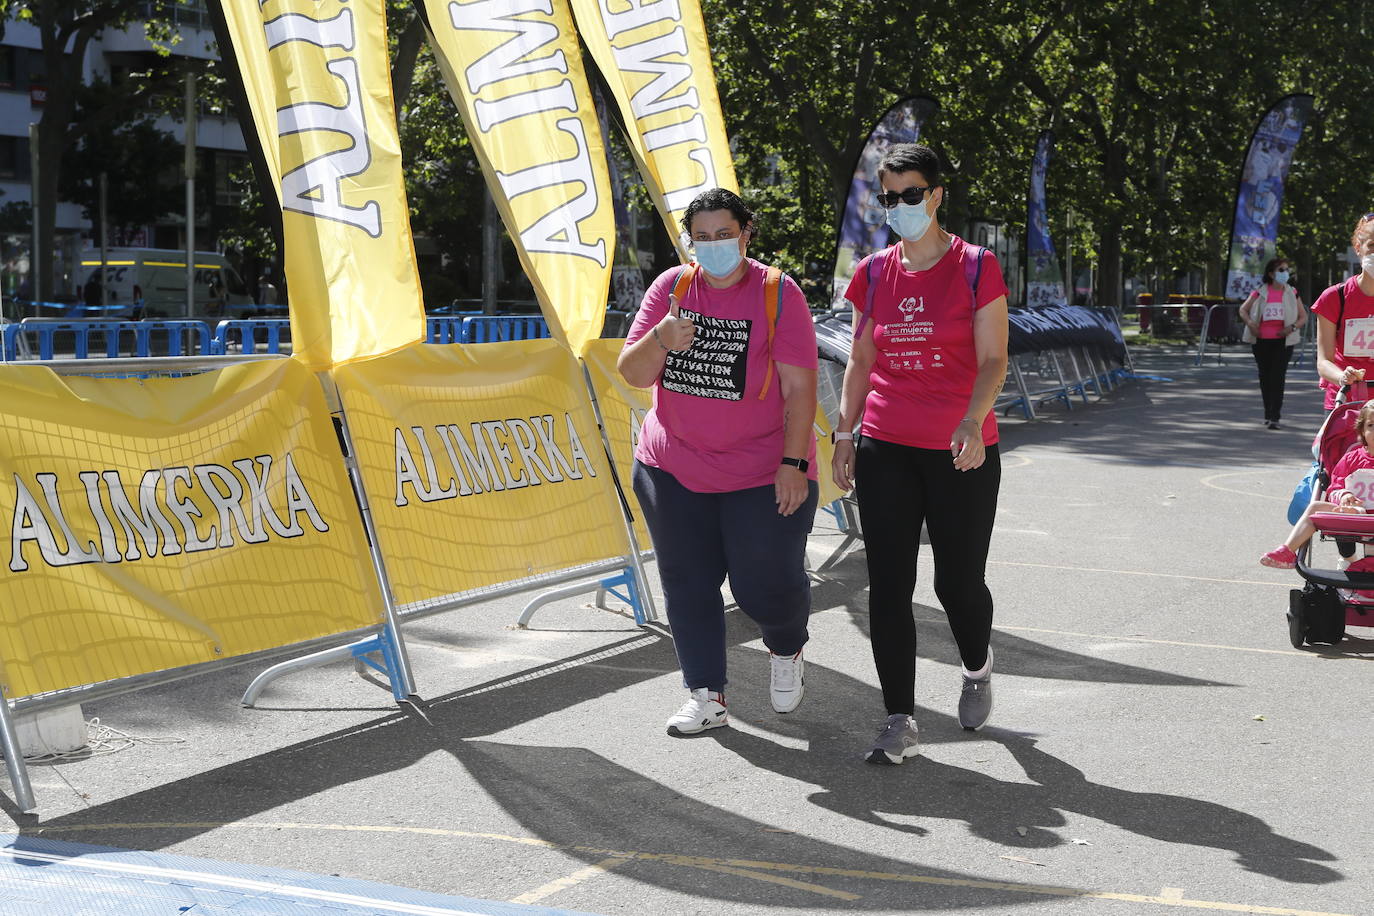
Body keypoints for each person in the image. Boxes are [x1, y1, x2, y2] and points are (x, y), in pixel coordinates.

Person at [830, 143, 1010, 764]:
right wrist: (846, 431)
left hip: (961, 443)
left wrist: (971, 419)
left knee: (957, 581)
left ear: (935, 195)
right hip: (886, 443)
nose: (900, 205)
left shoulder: (975, 266)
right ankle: (899, 717)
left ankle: (977, 665)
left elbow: (993, 358)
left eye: (912, 194)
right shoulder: (875, 272)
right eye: (890, 197)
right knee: (888, 584)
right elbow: (860, 358)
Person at [618, 188, 819, 736]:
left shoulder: (778, 293)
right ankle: (706, 694)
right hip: (672, 466)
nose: (713, 247)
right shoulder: (671, 288)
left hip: (762, 471)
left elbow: (801, 390)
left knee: (763, 586)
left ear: (746, 232)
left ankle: (786, 646)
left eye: (723, 235)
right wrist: (661, 337)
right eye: (701, 238)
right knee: (687, 583)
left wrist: (793, 463)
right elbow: (633, 373)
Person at [1262, 400, 1374, 568]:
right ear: (1362, 431)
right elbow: (1335, 485)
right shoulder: (1351, 458)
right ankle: (1288, 551)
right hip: (1354, 513)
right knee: (1315, 506)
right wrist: (1344, 495)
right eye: (1371, 425)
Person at [1313, 214, 1374, 409]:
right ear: (1358, 248)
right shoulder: (1333, 297)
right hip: (1346, 404)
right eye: (1372, 245)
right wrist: (1344, 377)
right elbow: (1324, 362)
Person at [1238, 256, 1305, 429]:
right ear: (1271, 273)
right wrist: (1251, 324)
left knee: (1277, 377)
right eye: (1280, 270)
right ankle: (1268, 413)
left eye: (1286, 270)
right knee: (1265, 377)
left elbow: (1303, 316)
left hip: (1283, 342)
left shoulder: (1292, 292)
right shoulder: (1260, 292)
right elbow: (1243, 310)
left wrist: (1291, 328)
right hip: (1261, 341)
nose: (1285, 273)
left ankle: (1275, 416)